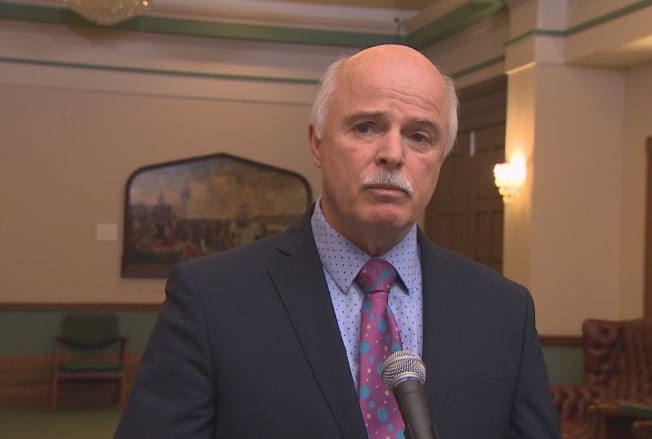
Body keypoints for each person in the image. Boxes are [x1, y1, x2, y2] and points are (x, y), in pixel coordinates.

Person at [114, 44, 560, 438]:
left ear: (440, 159)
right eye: (366, 127)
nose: (393, 153)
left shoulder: (504, 311)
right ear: (317, 142)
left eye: (420, 136)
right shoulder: (211, 299)